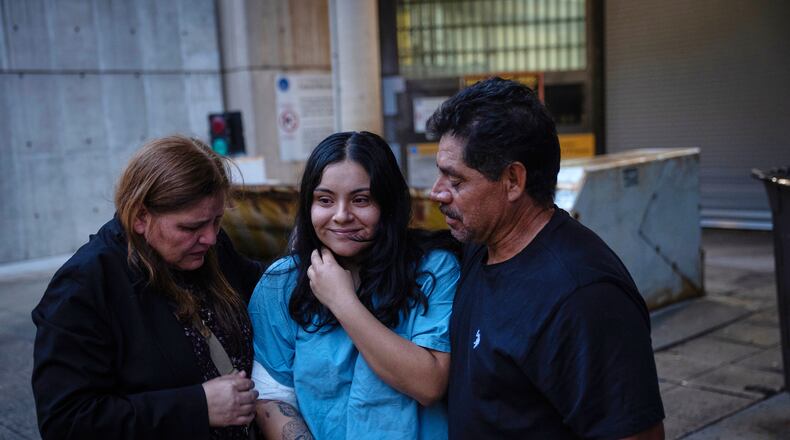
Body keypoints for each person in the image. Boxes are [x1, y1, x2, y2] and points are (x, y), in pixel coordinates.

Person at [427, 77, 666, 439]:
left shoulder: (583, 297)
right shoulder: (481, 244)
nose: (436, 193)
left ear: (512, 180)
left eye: (455, 180)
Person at [32, 135, 264, 440]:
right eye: (191, 227)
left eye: (216, 221)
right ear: (141, 217)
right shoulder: (83, 287)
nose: (209, 238)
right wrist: (197, 406)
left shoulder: (209, 249)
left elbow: (266, 285)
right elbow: (66, 422)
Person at [248, 131, 460, 439]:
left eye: (361, 200)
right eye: (325, 200)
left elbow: (429, 384)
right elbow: (272, 395)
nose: (341, 216)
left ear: (387, 204)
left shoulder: (433, 269)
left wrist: (342, 302)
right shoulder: (282, 283)